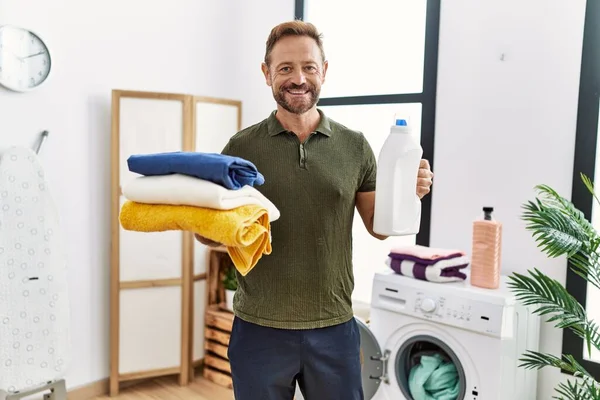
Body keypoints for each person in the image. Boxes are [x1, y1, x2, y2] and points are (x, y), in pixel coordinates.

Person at [195, 20, 433, 400]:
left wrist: (409, 193)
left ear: (324, 71)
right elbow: (209, 232)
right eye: (285, 68)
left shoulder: (355, 147)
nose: (298, 78)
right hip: (259, 329)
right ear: (267, 73)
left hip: (334, 329)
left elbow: (379, 226)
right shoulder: (241, 147)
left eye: (308, 66)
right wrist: (198, 209)